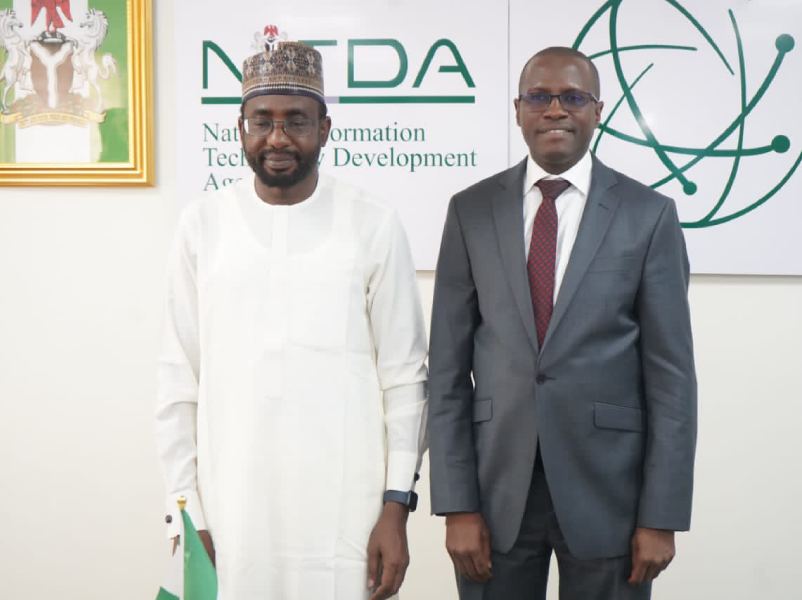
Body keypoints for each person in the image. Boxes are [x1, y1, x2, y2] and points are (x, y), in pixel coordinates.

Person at [155, 39, 428, 600]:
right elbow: (177, 379)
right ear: (240, 128)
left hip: (346, 512)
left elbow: (405, 378)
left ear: (324, 129)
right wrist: (185, 511)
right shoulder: (202, 225)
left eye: (296, 121)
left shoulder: (372, 223)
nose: (277, 138)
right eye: (262, 121)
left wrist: (396, 506)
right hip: (230, 511)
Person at [428, 46, 697, 600]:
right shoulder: (470, 211)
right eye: (539, 97)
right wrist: (457, 503)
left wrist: (661, 514)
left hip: (611, 500)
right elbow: (447, 373)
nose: (555, 110)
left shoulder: (649, 215)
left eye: (573, 97)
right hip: (495, 495)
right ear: (518, 110)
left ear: (598, 110)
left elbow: (672, 380)